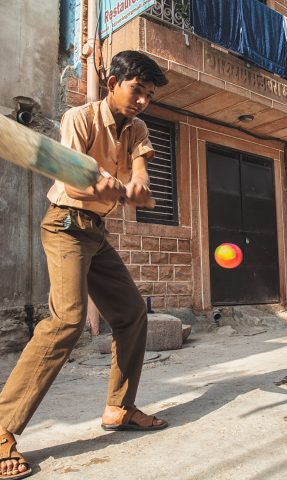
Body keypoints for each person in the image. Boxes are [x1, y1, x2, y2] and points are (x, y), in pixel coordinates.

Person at [0, 50, 168, 479]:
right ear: (113, 83)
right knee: (67, 320)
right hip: (65, 225)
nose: (143, 101)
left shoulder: (139, 128)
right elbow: (76, 176)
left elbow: (143, 178)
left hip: (95, 232)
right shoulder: (79, 118)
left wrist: (135, 188)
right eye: (137, 90)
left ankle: (120, 408)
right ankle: (1, 430)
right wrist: (101, 181)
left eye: (149, 95)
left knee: (131, 314)